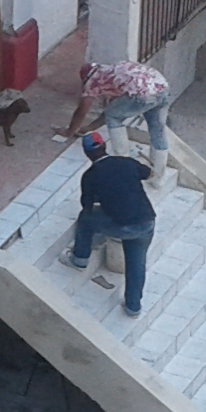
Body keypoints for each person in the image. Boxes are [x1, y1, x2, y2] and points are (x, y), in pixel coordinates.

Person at [66, 133, 158, 317]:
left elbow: (87, 206)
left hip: (123, 225)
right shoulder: (126, 162)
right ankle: (133, 307)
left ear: (87, 153)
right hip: (146, 221)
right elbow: (149, 174)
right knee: (136, 264)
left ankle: (80, 258)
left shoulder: (90, 176)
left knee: (86, 219)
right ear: (104, 146)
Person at [61, 58, 172, 156]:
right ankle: (158, 171)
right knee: (157, 129)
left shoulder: (92, 81)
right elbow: (113, 105)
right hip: (162, 87)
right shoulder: (113, 70)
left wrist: (69, 131)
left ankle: (122, 157)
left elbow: (82, 111)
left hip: (143, 94)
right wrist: (90, 128)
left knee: (113, 117)